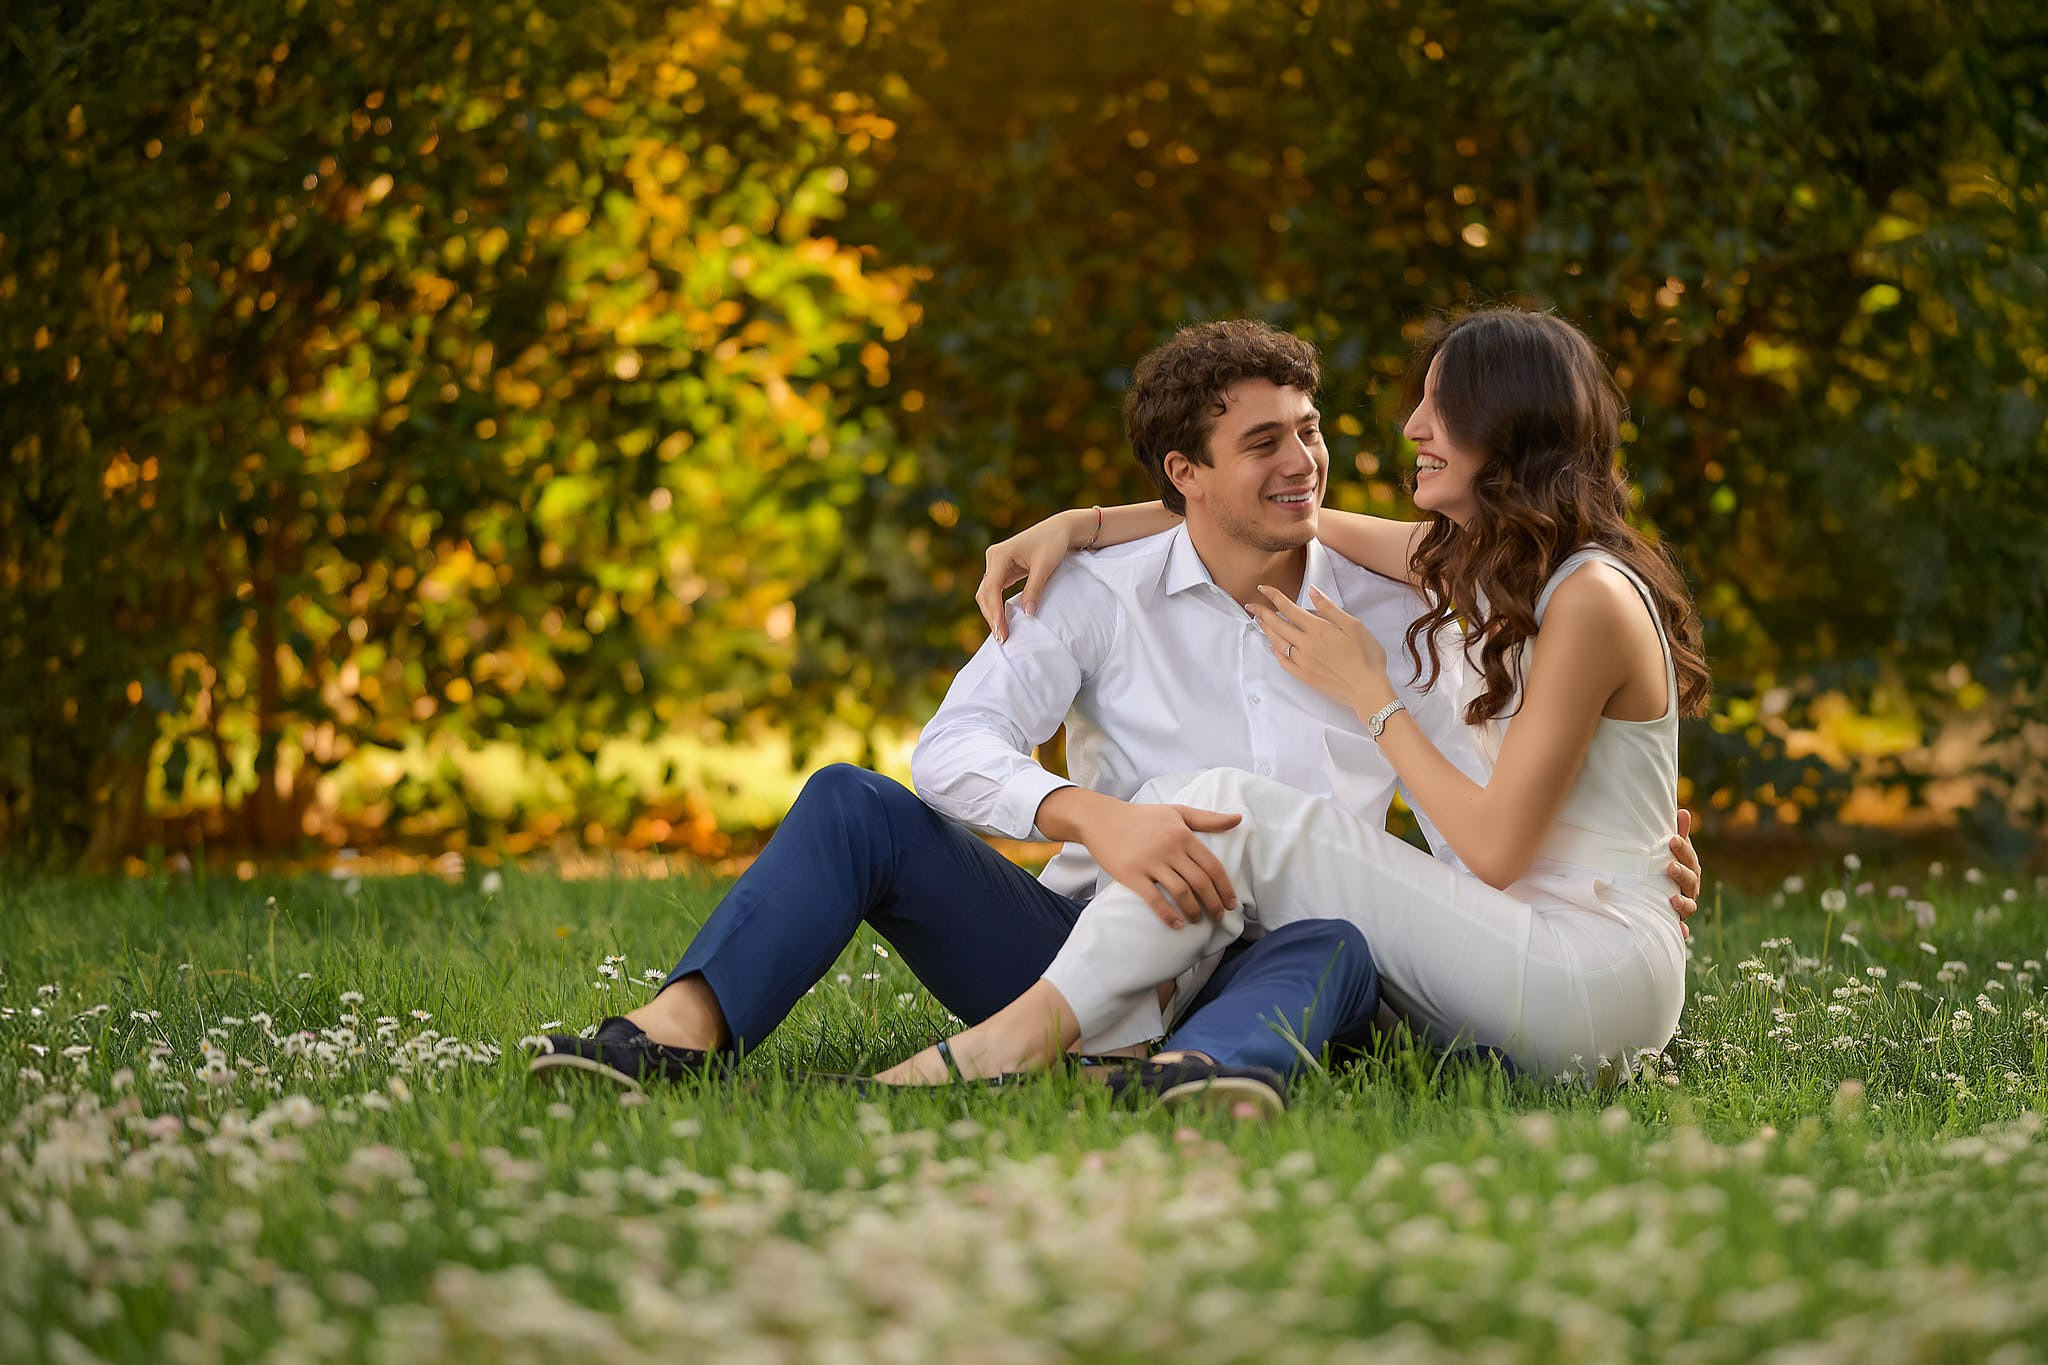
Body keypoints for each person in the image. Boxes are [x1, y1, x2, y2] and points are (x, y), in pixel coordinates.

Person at [879, 306, 1708, 1089]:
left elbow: (1493, 849)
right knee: (1188, 804)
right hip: (1530, 938)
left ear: (1511, 427)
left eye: (1440, 406)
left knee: (1231, 811)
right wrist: (1085, 523)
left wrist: (1369, 693)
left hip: (1586, 977)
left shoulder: (1591, 594)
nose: (1413, 427)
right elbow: (1285, 516)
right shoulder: (1516, 564)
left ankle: (1025, 1036)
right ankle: (1115, 1040)